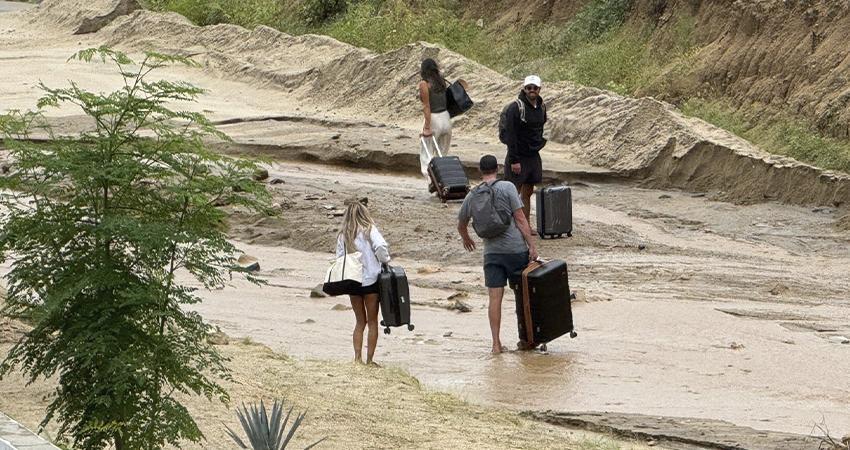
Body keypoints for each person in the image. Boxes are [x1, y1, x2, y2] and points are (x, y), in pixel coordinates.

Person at [457, 155, 538, 354]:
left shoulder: (473, 194)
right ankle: (526, 340)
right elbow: (520, 218)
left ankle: (495, 344)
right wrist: (532, 246)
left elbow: (461, 224)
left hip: (491, 253)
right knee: (522, 297)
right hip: (515, 251)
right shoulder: (508, 187)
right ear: (498, 168)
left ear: (480, 171)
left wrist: (467, 238)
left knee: (494, 299)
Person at [335, 198, 391, 365]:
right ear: (364, 214)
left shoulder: (343, 235)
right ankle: (370, 360)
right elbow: (380, 247)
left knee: (360, 321)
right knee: (372, 321)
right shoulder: (369, 230)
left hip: (353, 281)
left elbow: (339, 258)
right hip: (370, 281)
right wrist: (385, 260)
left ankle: (357, 358)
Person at [502, 75, 547, 230]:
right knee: (512, 193)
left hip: (533, 155)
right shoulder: (516, 108)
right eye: (529, 88)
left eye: (535, 88)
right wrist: (514, 160)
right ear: (524, 89)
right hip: (518, 156)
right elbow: (510, 136)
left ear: (539, 89)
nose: (532, 90)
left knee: (528, 192)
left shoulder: (541, 107)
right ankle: (510, 226)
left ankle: (525, 225)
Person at [418, 58, 452, 183]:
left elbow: (426, 106)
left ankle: (432, 182)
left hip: (434, 118)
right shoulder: (441, 81)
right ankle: (443, 182)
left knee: (426, 153)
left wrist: (427, 127)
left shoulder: (424, 84)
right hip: (446, 118)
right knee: (442, 154)